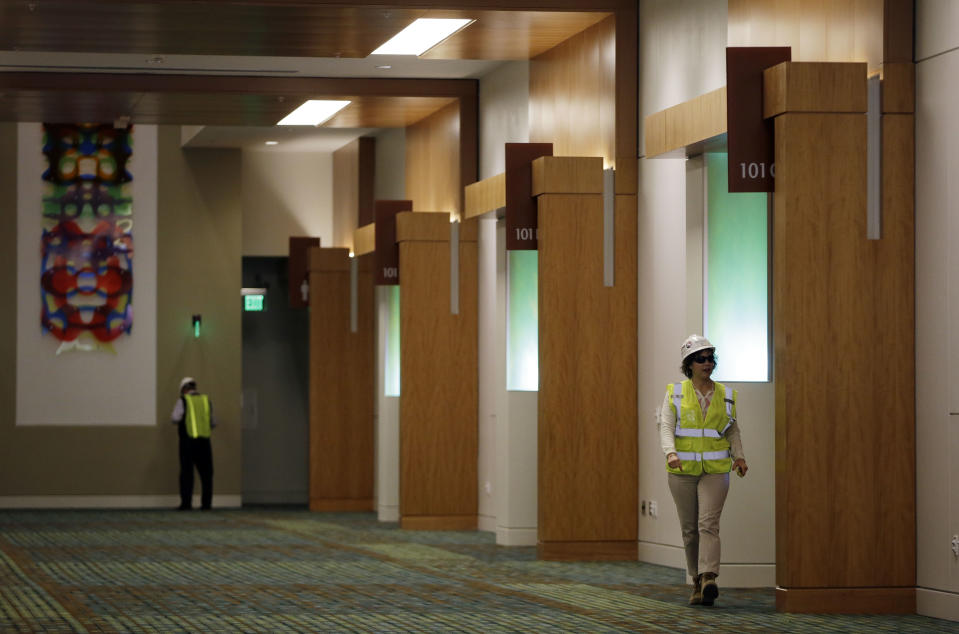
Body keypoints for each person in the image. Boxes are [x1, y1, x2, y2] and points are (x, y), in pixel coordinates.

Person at [660, 334, 748, 607]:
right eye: (701, 359)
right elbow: (666, 426)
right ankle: (696, 581)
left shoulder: (726, 395)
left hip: (715, 469)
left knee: (708, 523)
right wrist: (670, 453)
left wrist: (739, 457)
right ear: (689, 364)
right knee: (690, 530)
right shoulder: (675, 392)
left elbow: (731, 429)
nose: (707, 363)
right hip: (682, 469)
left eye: (711, 358)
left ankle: (709, 576)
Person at [171, 377, 216, 510]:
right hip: (205, 442)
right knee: (206, 474)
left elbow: (174, 418)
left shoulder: (183, 400)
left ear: (184, 389)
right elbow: (213, 422)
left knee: (187, 473)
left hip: (188, 442)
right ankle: (206, 504)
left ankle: (186, 504)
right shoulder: (205, 400)